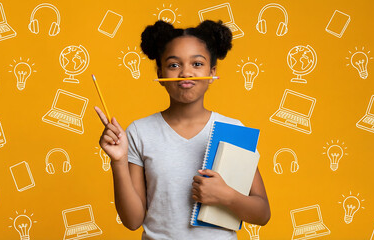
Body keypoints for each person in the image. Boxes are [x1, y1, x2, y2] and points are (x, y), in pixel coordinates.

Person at [95, 20, 270, 240]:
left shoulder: (233, 130)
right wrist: (118, 161)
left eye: (197, 64)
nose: (186, 73)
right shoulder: (139, 132)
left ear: (212, 72)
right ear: (160, 74)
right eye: (174, 65)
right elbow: (132, 221)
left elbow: (262, 213)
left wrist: (226, 196)